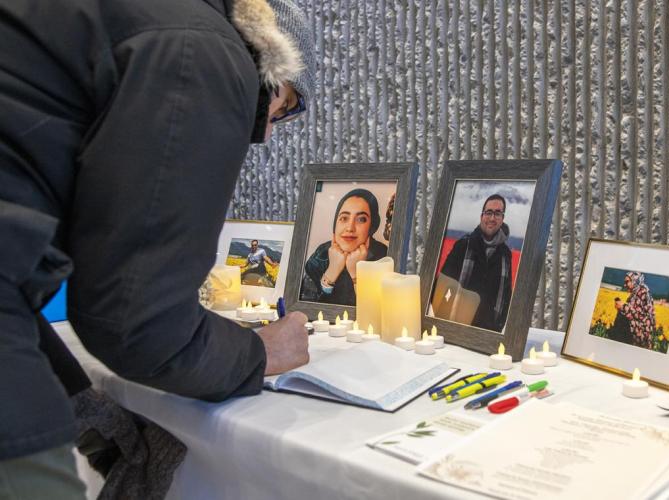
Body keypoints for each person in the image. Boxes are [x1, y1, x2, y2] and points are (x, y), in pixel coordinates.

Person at [0, 0, 315, 497]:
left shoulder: (132, 20)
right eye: (287, 107)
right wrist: (256, 352)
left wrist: (82, 398)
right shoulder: (201, 50)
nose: (269, 132)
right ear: (274, 66)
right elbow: (133, 318)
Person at [437, 194, 513, 331]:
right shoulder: (463, 245)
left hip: (489, 330)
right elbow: (443, 285)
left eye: (497, 213)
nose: (492, 218)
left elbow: (506, 295)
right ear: (481, 216)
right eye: (488, 212)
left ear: (502, 219)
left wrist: (500, 325)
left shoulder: (505, 254)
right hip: (458, 325)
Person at [301, 189, 389, 305]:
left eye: (361, 219)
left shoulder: (383, 256)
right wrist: (331, 273)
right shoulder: (321, 253)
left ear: (372, 226)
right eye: (344, 218)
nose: (350, 228)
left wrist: (357, 274)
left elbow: (380, 312)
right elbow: (304, 307)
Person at [615, 272, 656, 349]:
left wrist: (623, 307)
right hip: (635, 336)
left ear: (634, 280)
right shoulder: (635, 293)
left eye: (627, 282)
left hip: (640, 338)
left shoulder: (642, 292)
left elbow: (641, 316)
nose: (624, 285)